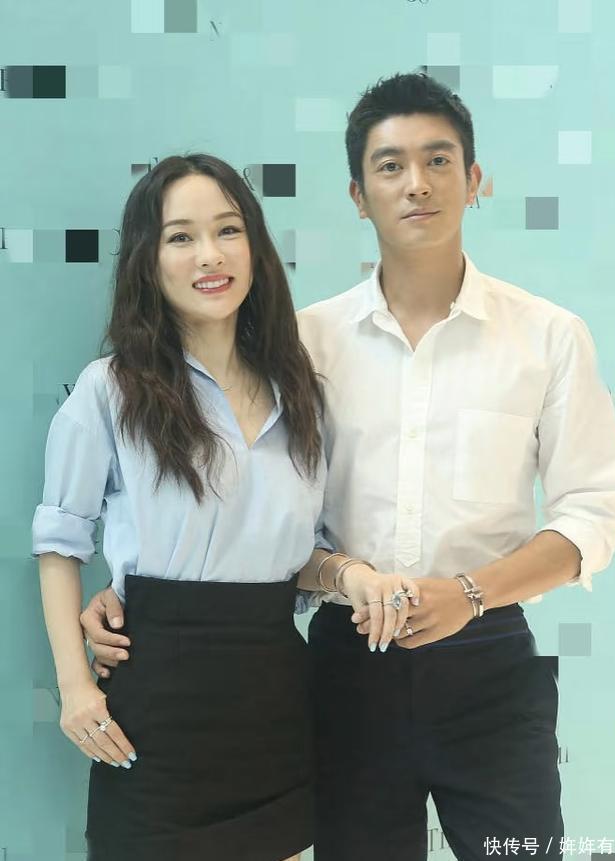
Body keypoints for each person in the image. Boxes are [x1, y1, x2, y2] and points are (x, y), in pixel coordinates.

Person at [81, 74, 615, 861]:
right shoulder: (301, 346)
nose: (417, 184)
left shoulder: (548, 336)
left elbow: (593, 514)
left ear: (474, 179)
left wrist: (468, 594)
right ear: (357, 195)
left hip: (491, 665)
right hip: (346, 667)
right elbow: (246, 512)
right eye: (390, 165)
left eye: (438, 160)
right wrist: (132, 589)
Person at [32, 152, 416, 861]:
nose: (209, 254)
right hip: (154, 699)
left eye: (228, 230)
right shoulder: (110, 389)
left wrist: (349, 574)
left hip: (275, 693)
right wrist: (75, 685)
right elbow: (60, 541)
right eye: (181, 237)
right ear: (148, 260)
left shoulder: (302, 391)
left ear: (255, 246)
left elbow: (294, 553)